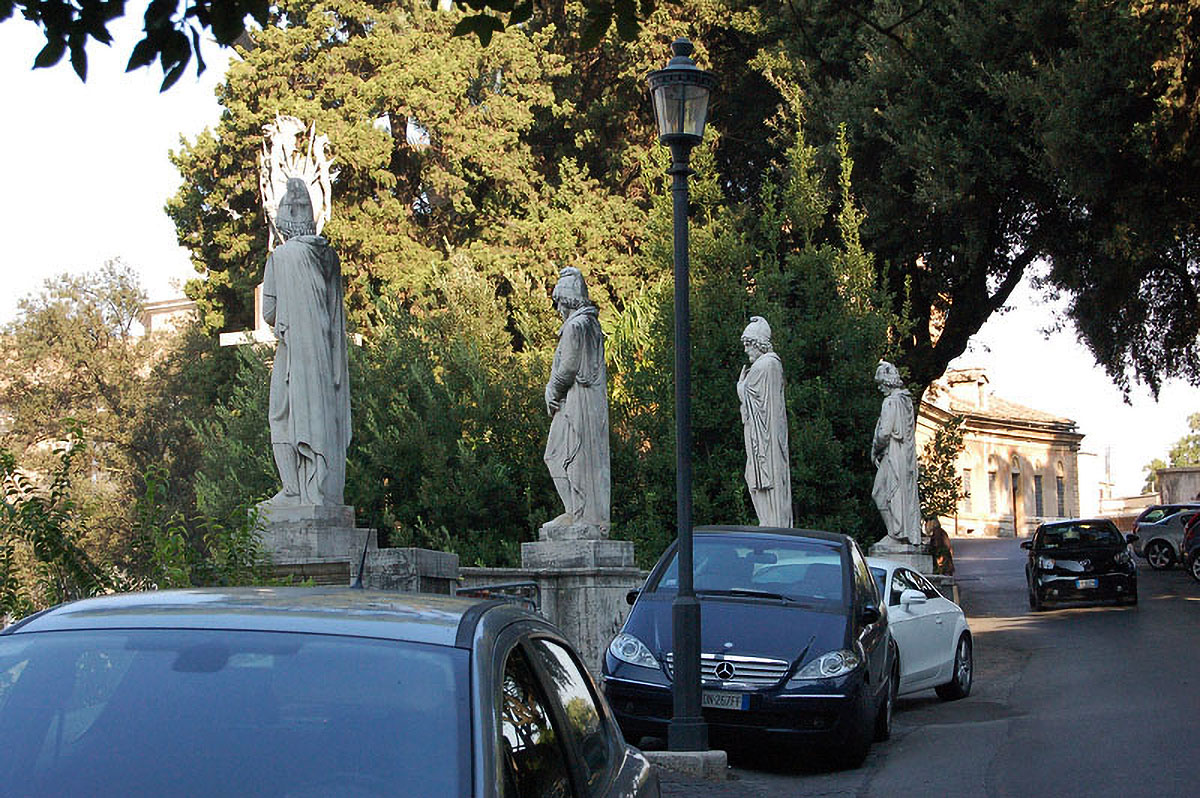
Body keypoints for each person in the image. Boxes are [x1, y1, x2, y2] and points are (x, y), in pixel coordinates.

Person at [262, 178, 351, 507]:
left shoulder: (280, 257)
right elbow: (333, 310)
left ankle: (293, 490)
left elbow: (269, 312)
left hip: (294, 354)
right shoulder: (329, 257)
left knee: (281, 415)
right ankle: (321, 486)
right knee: (321, 414)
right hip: (324, 356)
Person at [543, 267, 611, 531]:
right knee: (581, 458)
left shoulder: (575, 327)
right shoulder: (591, 325)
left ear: (566, 300)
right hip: (588, 402)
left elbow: (569, 368)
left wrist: (552, 390)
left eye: (558, 302)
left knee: (558, 455)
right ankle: (579, 513)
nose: (558, 309)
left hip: (575, 402)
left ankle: (578, 513)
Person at [737, 316, 793, 527]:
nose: (746, 350)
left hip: (765, 439)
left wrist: (741, 388)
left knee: (761, 477)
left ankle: (771, 522)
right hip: (764, 435)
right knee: (753, 476)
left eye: (748, 344)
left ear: (758, 343)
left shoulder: (765, 365)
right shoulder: (770, 365)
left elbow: (754, 398)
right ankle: (768, 521)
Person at [871, 360, 922, 544]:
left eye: (880, 384)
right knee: (899, 493)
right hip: (903, 456)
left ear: (887, 382)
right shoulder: (905, 401)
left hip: (892, 454)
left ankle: (895, 533)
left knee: (880, 493)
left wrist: (875, 449)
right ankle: (901, 533)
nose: (880, 388)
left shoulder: (891, 402)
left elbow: (884, 433)